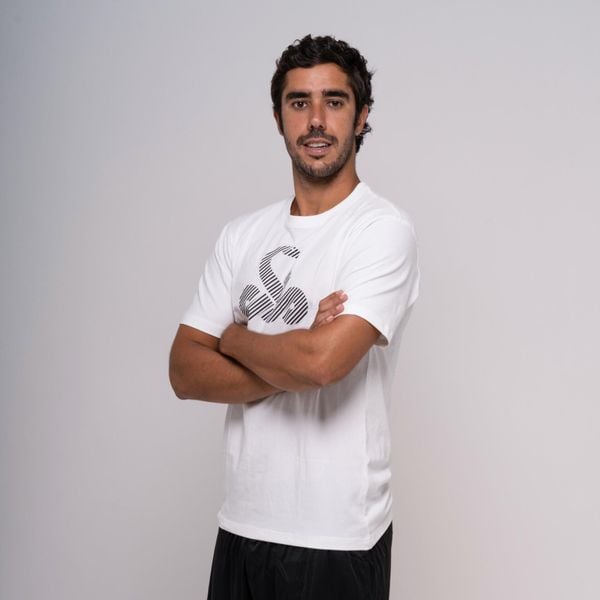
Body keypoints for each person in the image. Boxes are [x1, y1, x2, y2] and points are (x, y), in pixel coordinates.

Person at [169, 34, 420, 600]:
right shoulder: (242, 236)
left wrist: (234, 337)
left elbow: (322, 364)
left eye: (335, 101)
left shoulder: (381, 231)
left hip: (338, 537)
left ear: (361, 116)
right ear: (279, 117)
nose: (316, 120)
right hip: (242, 525)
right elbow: (184, 371)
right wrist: (295, 351)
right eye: (299, 102)